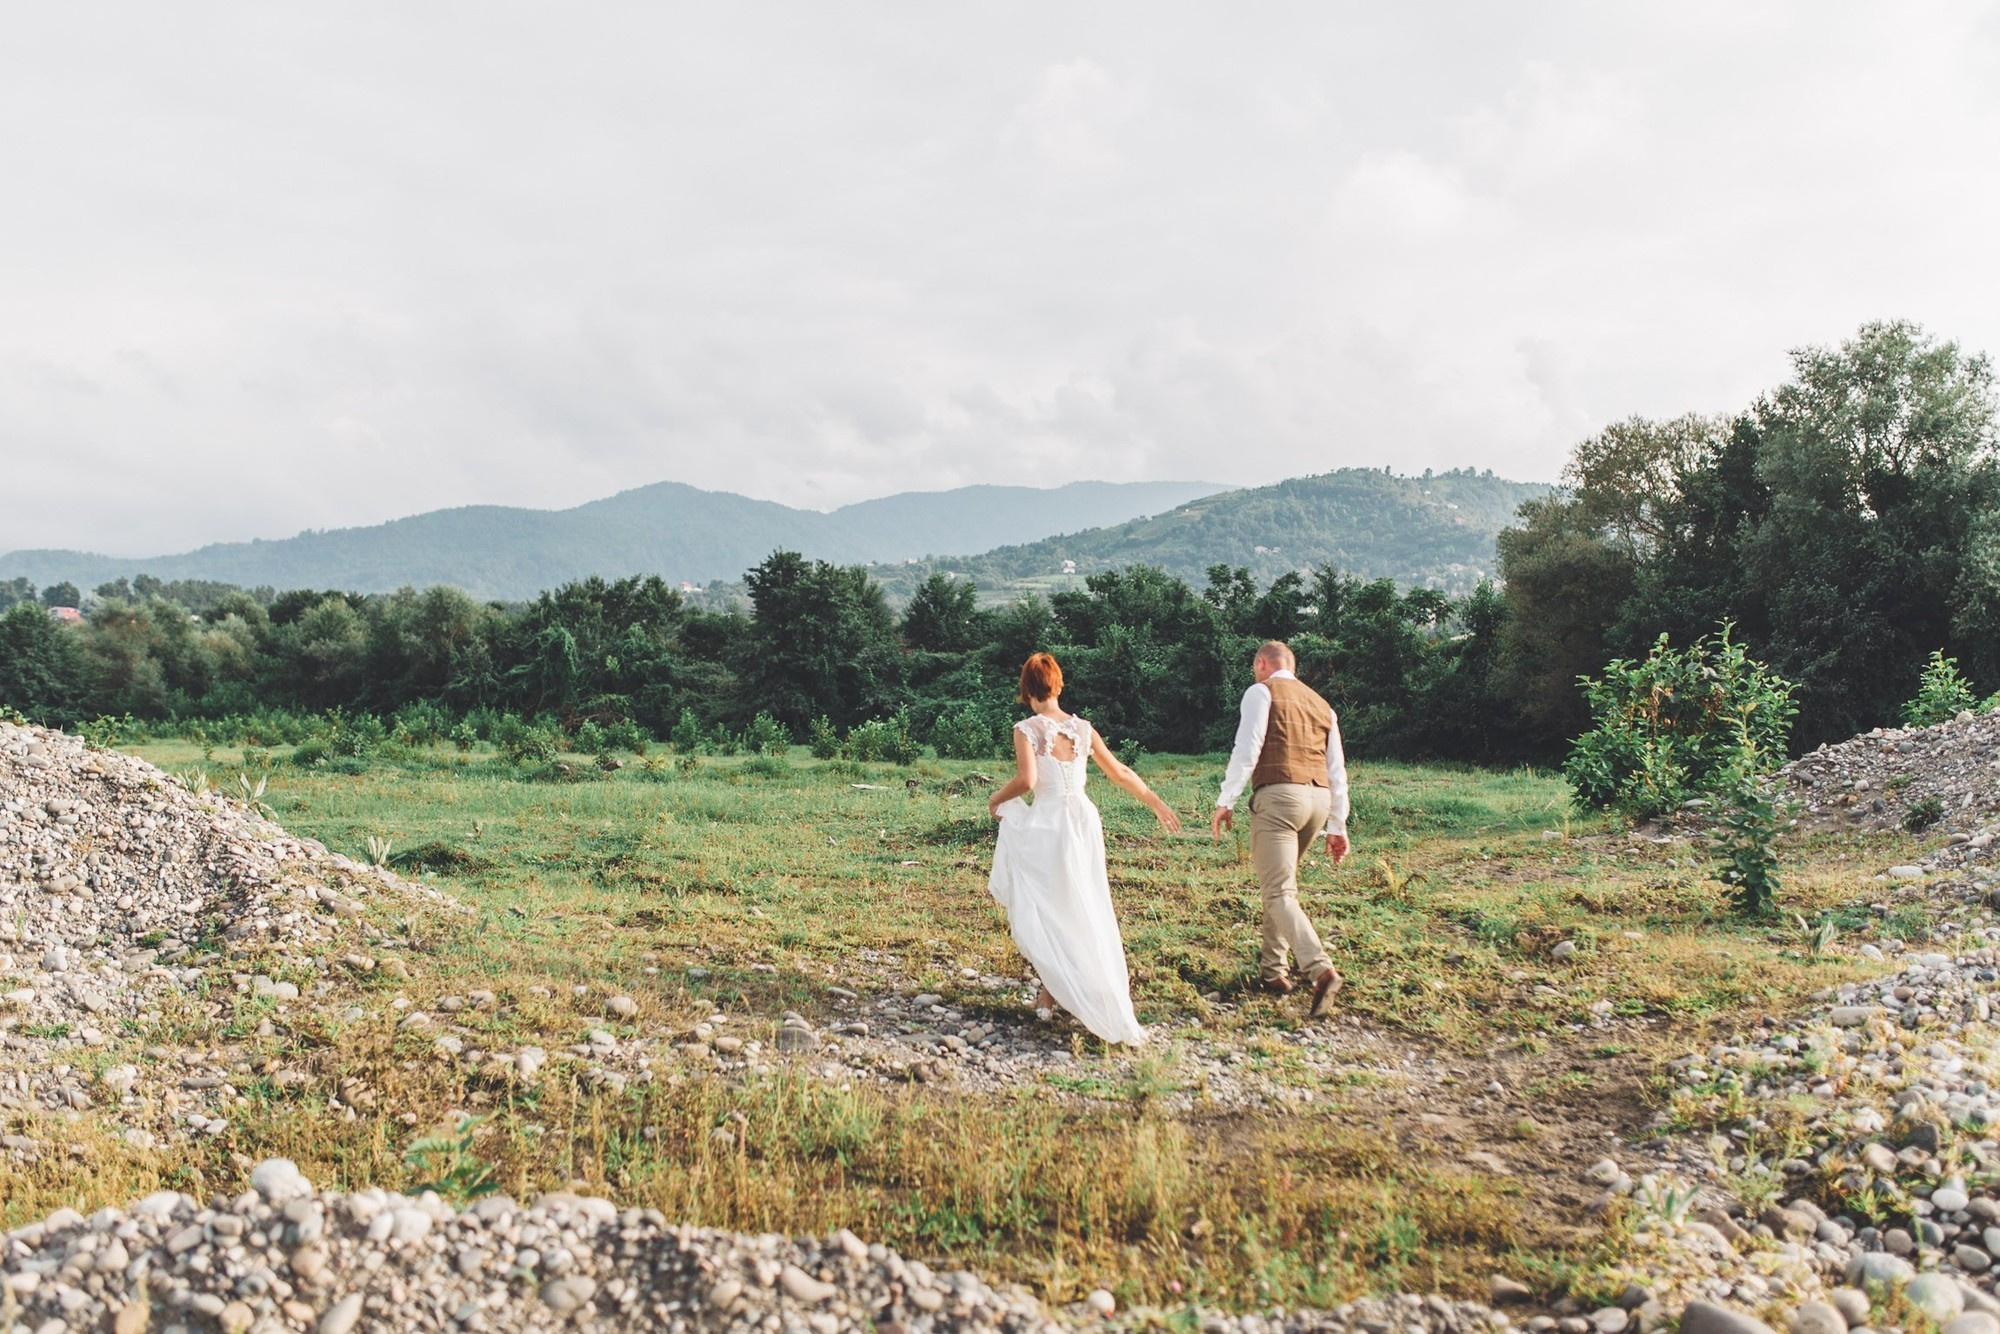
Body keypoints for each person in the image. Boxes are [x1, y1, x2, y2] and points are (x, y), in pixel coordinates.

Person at [987, 652, 1182, 1044]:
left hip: (1051, 823)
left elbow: (1026, 781)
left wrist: (995, 798)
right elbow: (1120, 772)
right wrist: (1155, 801)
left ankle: (1059, 988)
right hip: (1084, 820)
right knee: (1085, 902)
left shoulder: (1026, 729)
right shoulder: (1083, 728)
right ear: (1058, 685)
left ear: (1026, 690)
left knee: (1052, 905)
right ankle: (1054, 989)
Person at [1209, 639, 1351, 1018]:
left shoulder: (1261, 691)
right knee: (1281, 887)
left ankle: (1320, 970)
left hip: (1279, 799)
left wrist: (1227, 800)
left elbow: (1248, 748)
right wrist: (1338, 824)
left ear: (1261, 663)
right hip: (1318, 802)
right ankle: (1273, 971)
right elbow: (1337, 770)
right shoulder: (1322, 704)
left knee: (1277, 892)